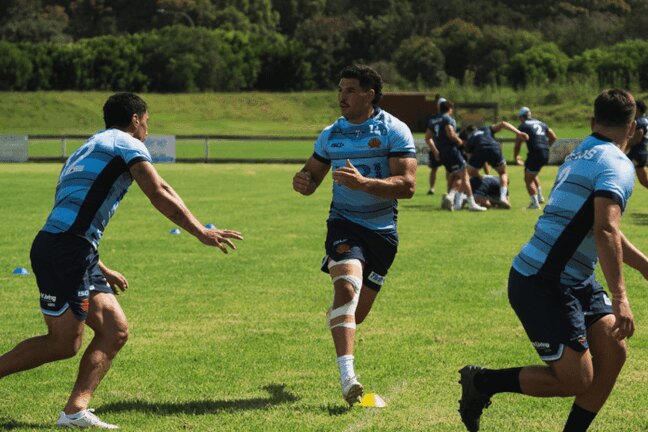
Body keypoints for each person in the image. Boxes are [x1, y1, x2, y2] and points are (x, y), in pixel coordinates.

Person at [0, 93, 243, 429]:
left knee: (114, 330)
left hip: (72, 249)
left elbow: (73, 213)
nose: (147, 128)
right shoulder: (126, 144)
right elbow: (158, 191)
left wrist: (98, 265)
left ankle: (74, 411)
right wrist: (200, 231)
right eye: (147, 121)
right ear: (135, 120)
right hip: (66, 250)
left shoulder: (88, 148)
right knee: (63, 343)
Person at [458, 89, 646, 432]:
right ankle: (482, 383)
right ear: (633, 129)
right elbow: (605, 229)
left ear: (592, 122)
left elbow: (601, 225)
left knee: (614, 352)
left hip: (572, 278)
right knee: (577, 379)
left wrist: (644, 266)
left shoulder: (578, 154)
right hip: (543, 281)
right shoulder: (618, 165)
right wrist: (621, 298)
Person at [292, 65, 416, 406]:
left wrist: (364, 184)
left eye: (349, 90)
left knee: (354, 314)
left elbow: (407, 186)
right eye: (340, 90)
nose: (341, 97)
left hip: (383, 233)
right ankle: (349, 379)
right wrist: (303, 182)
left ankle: (338, 319)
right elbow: (311, 175)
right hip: (343, 224)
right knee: (346, 288)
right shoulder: (331, 134)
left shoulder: (394, 130)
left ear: (368, 94)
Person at [462, 122, 529, 209]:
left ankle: (461, 198)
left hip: (479, 151)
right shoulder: (486, 129)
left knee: (466, 175)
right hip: (493, 147)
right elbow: (503, 124)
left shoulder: (470, 138)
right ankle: (503, 197)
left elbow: (472, 162)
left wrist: (482, 176)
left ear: (468, 132)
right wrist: (518, 133)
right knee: (503, 173)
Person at [435, 100, 487, 212]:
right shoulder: (447, 119)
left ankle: (450, 197)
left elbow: (429, 136)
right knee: (465, 176)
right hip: (452, 151)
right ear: (449, 108)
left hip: (443, 152)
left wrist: (436, 151)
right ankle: (471, 204)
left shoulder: (435, 120)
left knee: (453, 175)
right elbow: (450, 132)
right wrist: (460, 142)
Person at [514, 107, 557, 209]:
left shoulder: (523, 126)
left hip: (535, 152)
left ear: (521, 117)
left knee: (528, 179)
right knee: (532, 173)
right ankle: (540, 197)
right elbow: (554, 137)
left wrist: (516, 156)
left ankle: (535, 203)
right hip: (544, 152)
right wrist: (546, 147)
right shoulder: (541, 123)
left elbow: (518, 143)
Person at [424, 97, 447, 195]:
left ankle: (445, 188)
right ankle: (433, 188)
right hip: (440, 146)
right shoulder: (436, 119)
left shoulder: (444, 118)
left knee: (448, 169)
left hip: (442, 147)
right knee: (435, 169)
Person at [625, 99, 648, 189]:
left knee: (619, 170)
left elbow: (637, 139)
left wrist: (622, 147)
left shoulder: (640, 122)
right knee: (643, 180)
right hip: (642, 151)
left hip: (636, 153)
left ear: (637, 109)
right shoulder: (646, 119)